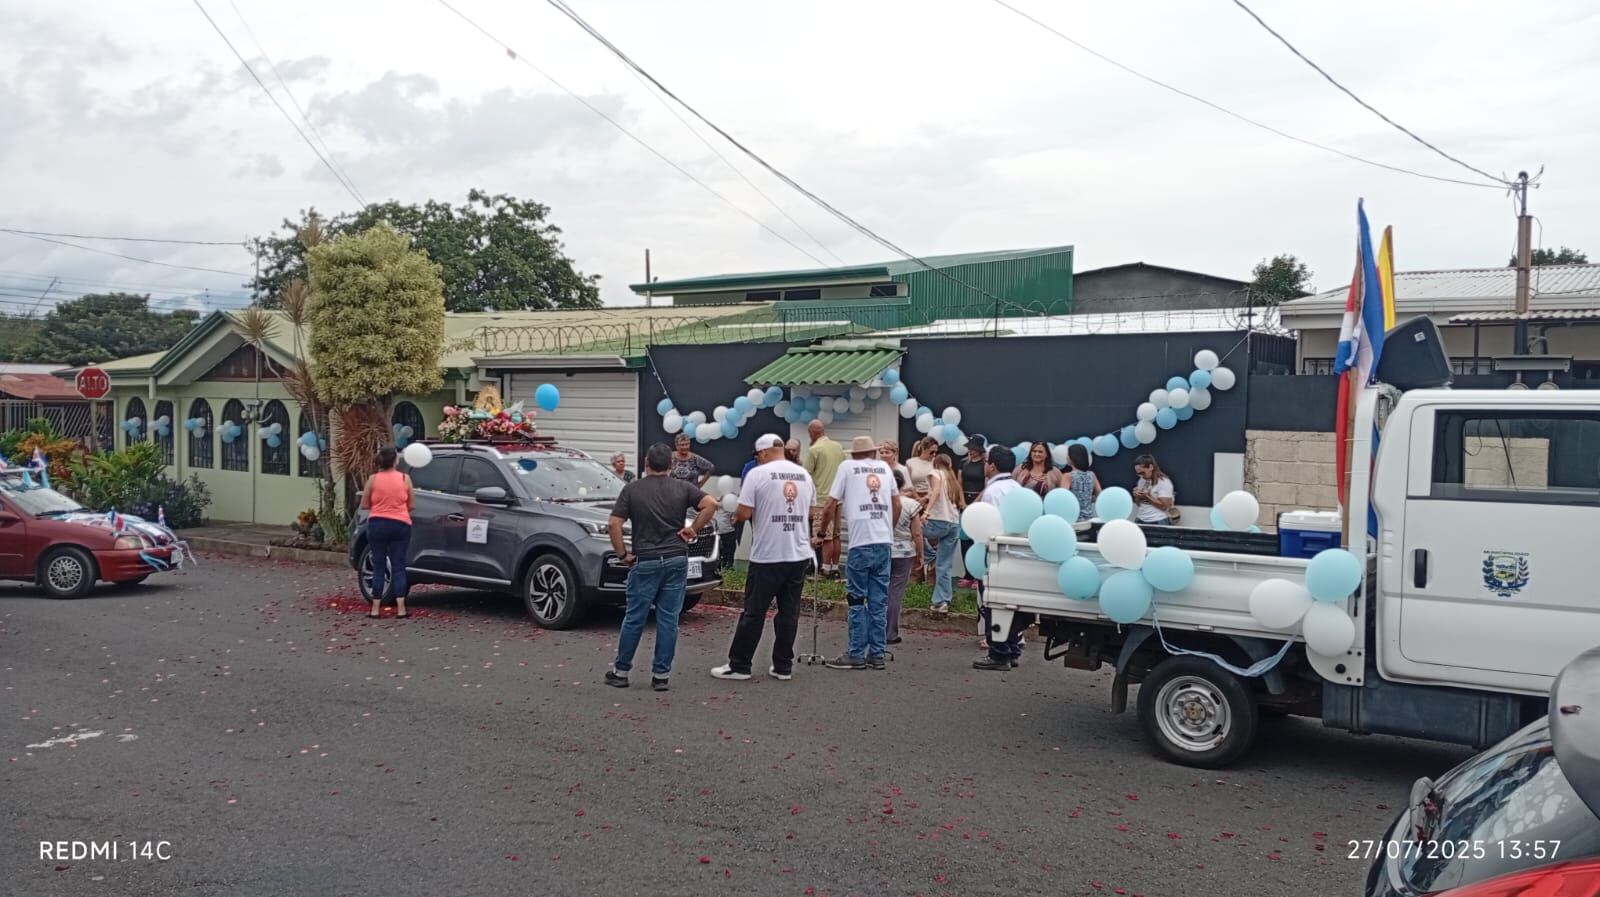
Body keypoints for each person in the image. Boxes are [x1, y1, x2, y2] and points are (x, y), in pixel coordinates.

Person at [605, 443, 719, 691]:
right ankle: (661, 676)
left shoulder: (632, 490)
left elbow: (614, 524)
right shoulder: (682, 487)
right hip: (676, 558)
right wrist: (693, 529)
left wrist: (623, 554)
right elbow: (711, 504)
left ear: (646, 463)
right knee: (669, 618)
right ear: (671, 464)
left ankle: (621, 671)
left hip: (645, 559)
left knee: (635, 617)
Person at [712, 434, 816, 681]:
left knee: (754, 611)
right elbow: (811, 512)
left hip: (768, 554)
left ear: (765, 452)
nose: (757, 459)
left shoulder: (757, 475)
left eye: (757, 455)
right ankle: (783, 666)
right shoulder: (803, 475)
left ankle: (740, 665)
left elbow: (745, 513)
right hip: (798, 552)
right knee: (789, 612)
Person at [822, 436, 899, 670]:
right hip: (883, 540)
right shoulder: (885, 468)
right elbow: (898, 504)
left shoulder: (847, 467)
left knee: (856, 599)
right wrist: (889, 529)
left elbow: (831, 503)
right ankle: (877, 653)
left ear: (854, 454)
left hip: (861, 542)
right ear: (873, 453)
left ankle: (856, 651)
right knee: (879, 600)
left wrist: (821, 531)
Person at [973, 445, 1034, 671]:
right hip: (1019, 553)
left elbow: (989, 524)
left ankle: (998, 653)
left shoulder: (992, 491)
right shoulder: (1017, 487)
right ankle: (1012, 649)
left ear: (993, 465)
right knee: (1013, 606)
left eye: (987, 462)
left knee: (993, 605)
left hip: (999, 554)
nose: (985, 466)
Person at [361, 445, 415, 619]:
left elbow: (364, 504)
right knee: (398, 565)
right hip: (400, 524)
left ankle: (375, 608)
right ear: (395, 460)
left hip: (377, 524)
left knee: (379, 566)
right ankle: (401, 609)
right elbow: (411, 504)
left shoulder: (373, 479)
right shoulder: (405, 479)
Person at [802, 420, 845, 576]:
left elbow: (805, 475)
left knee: (825, 535)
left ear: (811, 433)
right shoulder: (838, 447)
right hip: (838, 498)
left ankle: (825, 569)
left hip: (821, 499)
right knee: (836, 535)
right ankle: (835, 567)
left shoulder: (814, 450)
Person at [886, 469, 923, 645]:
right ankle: (890, 632)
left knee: (878, 590)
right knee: (895, 592)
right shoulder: (910, 504)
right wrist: (921, 554)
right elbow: (917, 533)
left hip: (882, 549)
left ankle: (874, 629)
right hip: (904, 552)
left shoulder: (880, 503)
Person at [923, 453, 963, 612]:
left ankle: (929, 555)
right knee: (944, 565)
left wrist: (926, 511)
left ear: (936, 463)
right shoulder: (952, 479)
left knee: (913, 531)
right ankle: (942, 601)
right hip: (954, 523)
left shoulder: (935, 473)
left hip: (938, 520)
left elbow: (936, 491)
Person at [958, 436, 988, 586]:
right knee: (964, 540)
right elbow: (959, 482)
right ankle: (968, 574)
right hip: (964, 501)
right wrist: (962, 502)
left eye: (973, 448)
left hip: (978, 502)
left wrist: (975, 502)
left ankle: (978, 575)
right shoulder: (964, 463)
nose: (970, 451)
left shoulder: (985, 465)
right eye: (969, 448)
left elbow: (986, 485)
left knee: (977, 539)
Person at [1132, 454, 1177, 525]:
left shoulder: (1163, 482)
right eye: (1138, 474)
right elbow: (1138, 504)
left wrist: (1147, 497)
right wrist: (1136, 496)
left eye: (1142, 472)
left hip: (1158, 520)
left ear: (1151, 467)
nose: (1141, 476)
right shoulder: (1141, 480)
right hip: (1140, 518)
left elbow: (1165, 506)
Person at [1063, 443, 1101, 521]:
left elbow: (1063, 498)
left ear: (1071, 458)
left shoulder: (1067, 476)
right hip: (1089, 519)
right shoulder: (1092, 475)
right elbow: (1100, 495)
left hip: (1074, 520)